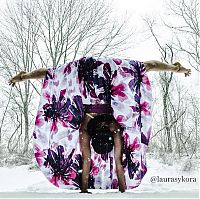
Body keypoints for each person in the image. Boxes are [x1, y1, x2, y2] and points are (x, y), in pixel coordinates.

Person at [8, 57, 191, 193]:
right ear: (108, 135)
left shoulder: (96, 129)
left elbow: (109, 163)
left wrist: (176, 68)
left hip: (93, 74)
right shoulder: (104, 129)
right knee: (55, 72)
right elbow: (109, 164)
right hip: (100, 76)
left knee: (142, 67)